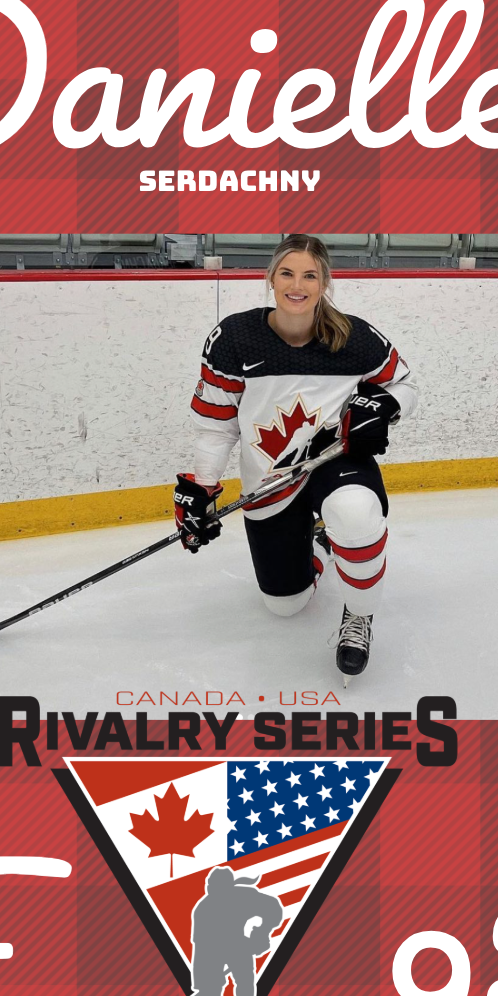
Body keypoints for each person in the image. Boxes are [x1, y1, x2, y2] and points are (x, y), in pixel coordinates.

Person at [174, 234, 418, 682]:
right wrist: (201, 486)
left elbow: (404, 385)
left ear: (325, 282)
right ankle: (324, 544)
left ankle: (359, 613)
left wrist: (382, 406)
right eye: (287, 272)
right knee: (285, 606)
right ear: (270, 278)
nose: (297, 285)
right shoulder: (235, 338)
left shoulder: (354, 336)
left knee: (355, 512)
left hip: (334, 462)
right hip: (268, 479)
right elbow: (216, 422)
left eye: (310, 275)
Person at [191, 866, 283, 996]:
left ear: (228, 887)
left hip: (239, 946)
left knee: (246, 980)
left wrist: (262, 933)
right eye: (210, 885)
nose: (211, 890)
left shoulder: (243, 896)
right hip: (213, 951)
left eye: (218, 887)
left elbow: (274, 909)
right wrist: (201, 981)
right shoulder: (202, 910)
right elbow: (200, 950)